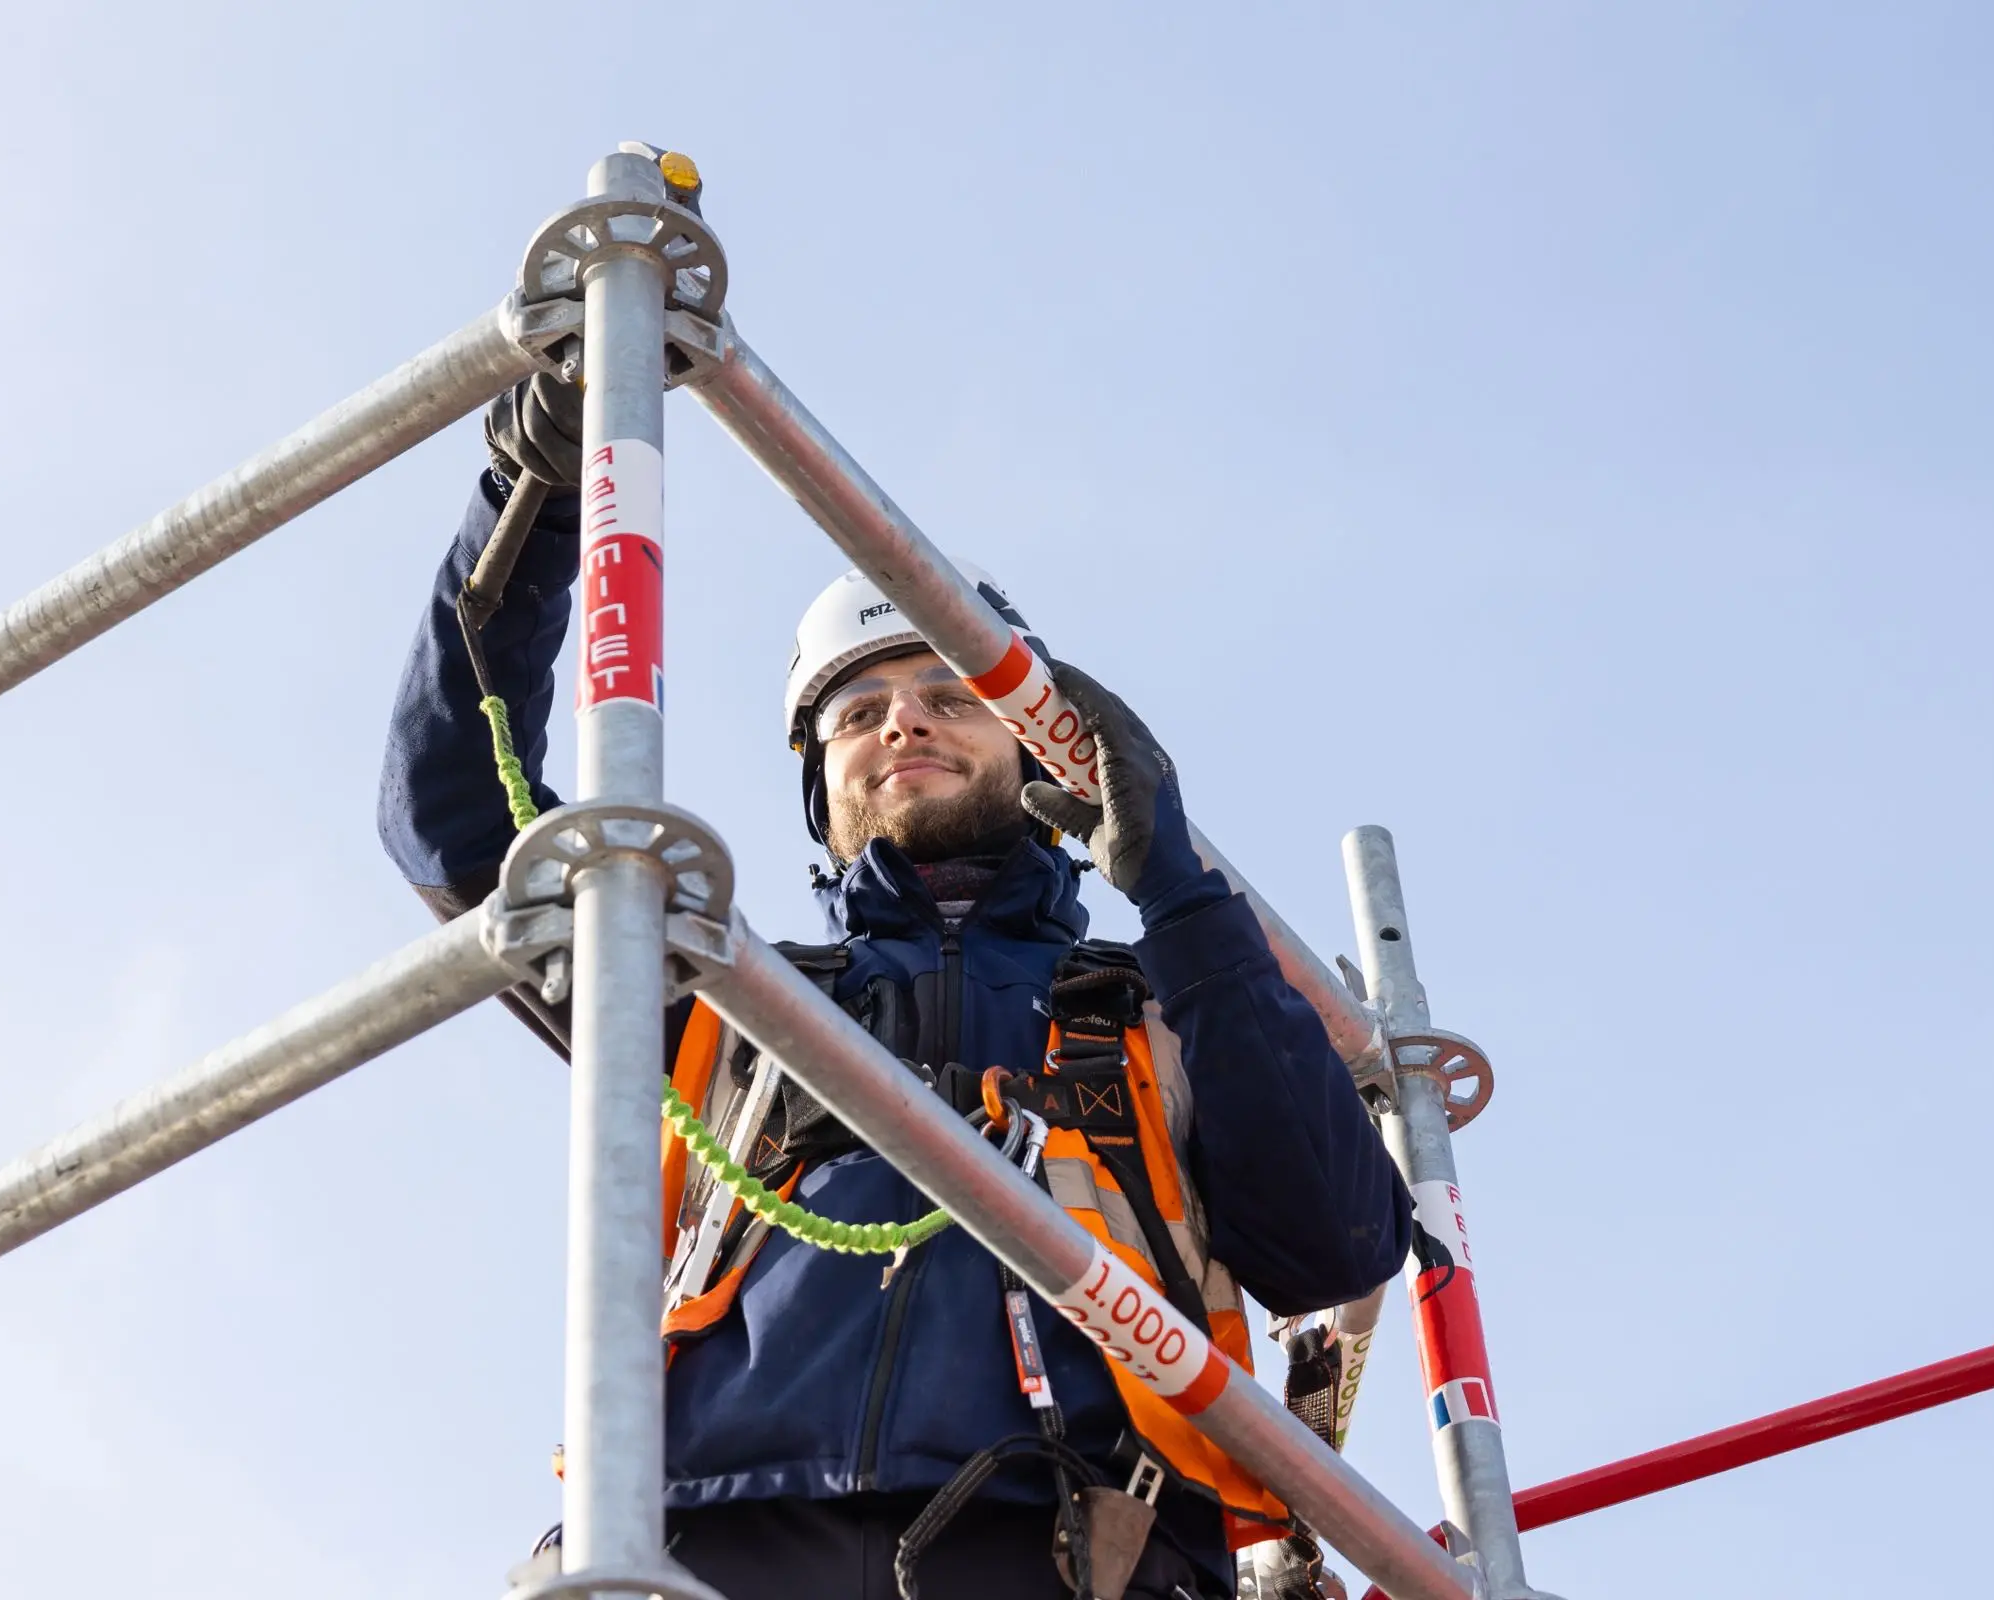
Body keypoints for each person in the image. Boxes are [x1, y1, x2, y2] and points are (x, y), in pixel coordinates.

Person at [377, 374, 1413, 1600]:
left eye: (950, 696)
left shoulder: (1171, 1003)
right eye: (859, 710)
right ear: (820, 795)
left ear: (1038, 752)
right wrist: (533, 497)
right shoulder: (731, 997)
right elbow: (455, 822)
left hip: (1075, 1550)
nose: (904, 724)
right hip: (712, 1541)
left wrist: (1181, 893)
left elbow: (1337, 1243)